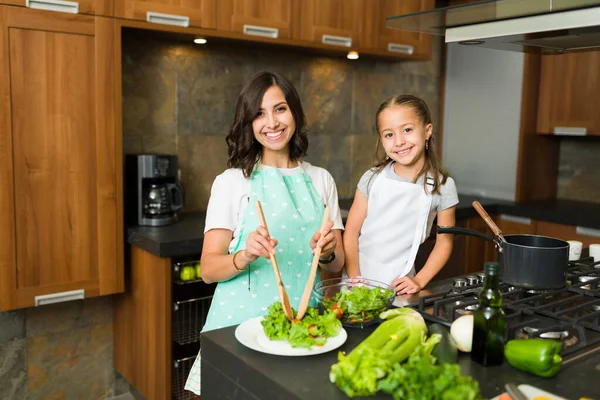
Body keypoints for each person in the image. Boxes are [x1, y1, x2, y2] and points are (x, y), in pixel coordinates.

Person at [185, 71, 344, 395]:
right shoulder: (231, 182)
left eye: (280, 109)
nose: (271, 122)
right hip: (237, 330)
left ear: (295, 113)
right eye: (259, 113)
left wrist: (326, 250)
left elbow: (336, 263)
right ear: (249, 123)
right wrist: (244, 254)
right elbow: (208, 270)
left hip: (302, 329)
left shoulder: (321, 180)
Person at [343, 94, 458, 295]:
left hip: (401, 288)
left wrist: (419, 280)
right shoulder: (372, 178)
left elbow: (444, 243)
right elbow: (351, 232)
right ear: (382, 140)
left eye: (407, 130)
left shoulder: (442, 185)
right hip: (356, 283)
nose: (399, 141)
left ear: (427, 131)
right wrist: (355, 279)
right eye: (389, 134)